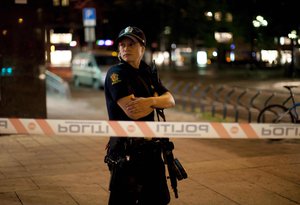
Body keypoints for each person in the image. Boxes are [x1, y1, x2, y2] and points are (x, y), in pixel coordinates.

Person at [104, 26, 175, 205]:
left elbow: (171, 100)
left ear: (142, 49)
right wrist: (157, 100)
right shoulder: (116, 73)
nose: (126, 48)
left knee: (157, 200)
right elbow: (133, 111)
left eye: (131, 44)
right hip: (126, 151)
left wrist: (147, 101)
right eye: (122, 45)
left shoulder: (147, 72)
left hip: (151, 149)